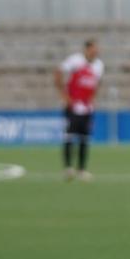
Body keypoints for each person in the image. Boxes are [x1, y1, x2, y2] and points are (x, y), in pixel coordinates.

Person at [54, 39, 103, 182]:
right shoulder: (75, 61)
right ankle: (68, 168)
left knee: (85, 138)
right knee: (69, 136)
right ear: (87, 49)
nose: (96, 51)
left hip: (87, 108)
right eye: (94, 49)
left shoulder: (99, 65)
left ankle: (82, 170)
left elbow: (97, 83)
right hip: (72, 106)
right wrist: (64, 96)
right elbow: (58, 72)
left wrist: (93, 98)